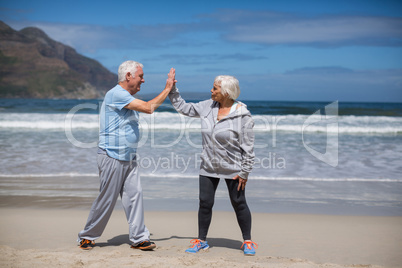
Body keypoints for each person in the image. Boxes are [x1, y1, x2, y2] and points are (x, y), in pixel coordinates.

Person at [77, 60, 176, 250]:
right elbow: (149, 108)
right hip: (112, 156)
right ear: (128, 76)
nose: (143, 80)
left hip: (128, 156)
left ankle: (139, 238)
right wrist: (168, 88)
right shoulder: (116, 94)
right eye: (140, 76)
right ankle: (87, 236)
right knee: (107, 199)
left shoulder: (125, 97)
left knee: (134, 196)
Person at [168, 75, 258, 255]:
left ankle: (247, 241)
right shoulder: (206, 106)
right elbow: (184, 107)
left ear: (225, 92)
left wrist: (245, 171)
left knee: (239, 203)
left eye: (215, 88)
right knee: (205, 203)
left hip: (233, 169)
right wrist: (172, 90)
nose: (211, 91)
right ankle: (201, 241)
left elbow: (248, 147)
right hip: (208, 166)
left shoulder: (243, 116)